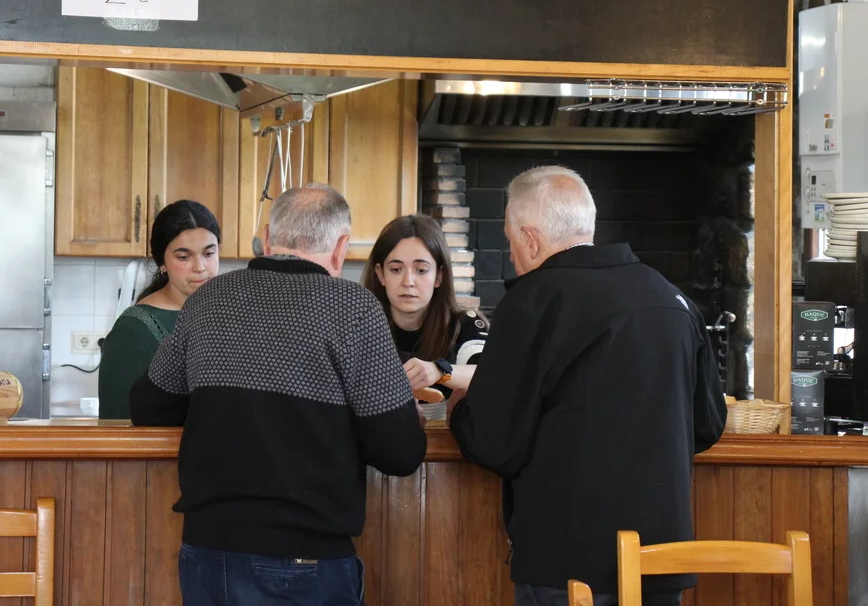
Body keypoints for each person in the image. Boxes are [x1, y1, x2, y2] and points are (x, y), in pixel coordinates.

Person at [130, 183, 426, 605]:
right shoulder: (354, 308)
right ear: (341, 246)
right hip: (306, 559)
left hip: (208, 554)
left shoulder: (208, 299)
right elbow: (400, 453)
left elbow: (147, 406)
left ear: (268, 238)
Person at [446, 165, 727, 606]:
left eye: (510, 240)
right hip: (660, 558)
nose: (512, 255)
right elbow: (708, 425)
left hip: (568, 565)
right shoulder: (672, 298)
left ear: (530, 238)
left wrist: (459, 407)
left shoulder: (533, 300)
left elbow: (494, 443)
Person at [97, 200, 220, 420]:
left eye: (209, 254)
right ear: (162, 263)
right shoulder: (133, 330)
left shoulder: (230, 315)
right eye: (184, 257)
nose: (200, 267)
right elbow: (117, 424)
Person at [361, 214, 488, 417]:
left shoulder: (465, 324)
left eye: (421, 270)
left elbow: (493, 376)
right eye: (396, 269)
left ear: (439, 276)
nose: (408, 281)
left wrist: (440, 371)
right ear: (380, 274)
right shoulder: (357, 326)